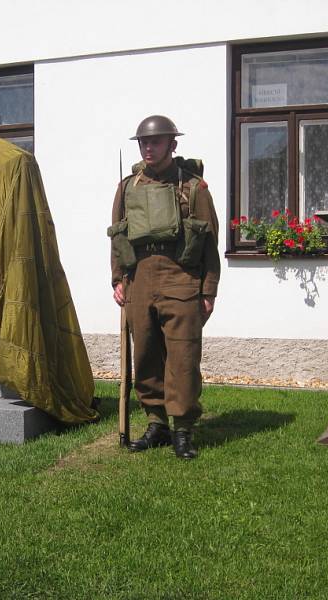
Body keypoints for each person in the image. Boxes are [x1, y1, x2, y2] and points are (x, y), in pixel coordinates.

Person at [109, 115, 220, 459]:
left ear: (173, 144)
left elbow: (209, 242)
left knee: (183, 358)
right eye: (144, 142)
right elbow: (117, 234)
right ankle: (156, 422)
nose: (149, 147)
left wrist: (208, 290)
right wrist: (117, 278)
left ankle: (183, 429)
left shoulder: (194, 188)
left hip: (181, 277)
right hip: (139, 277)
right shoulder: (128, 187)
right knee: (145, 354)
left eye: (155, 142)